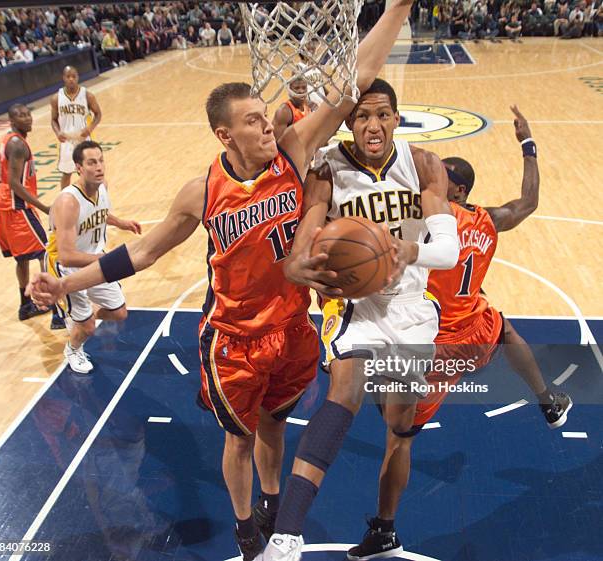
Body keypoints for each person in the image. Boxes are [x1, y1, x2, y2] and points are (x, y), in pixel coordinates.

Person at [28, 3, 415, 559]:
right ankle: (243, 526)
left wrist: (398, 7)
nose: (270, 124)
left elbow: (355, 80)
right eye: (255, 121)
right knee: (239, 437)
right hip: (233, 338)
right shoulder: (201, 191)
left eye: (266, 115)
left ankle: (273, 504)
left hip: (292, 326)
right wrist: (68, 285)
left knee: (274, 426)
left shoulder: (293, 154)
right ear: (224, 134)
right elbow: (141, 251)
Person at [346, 106, 573, 558]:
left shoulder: (429, 224)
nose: (431, 182)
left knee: (399, 436)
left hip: (435, 347)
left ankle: (385, 531)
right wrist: (528, 146)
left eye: (443, 181)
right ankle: (548, 400)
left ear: (460, 190)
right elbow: (527, 204)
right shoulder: (488, 220)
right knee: (503, 327)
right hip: (476, 330)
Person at [266, 76, 459, 561]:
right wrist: (296, 266)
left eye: (382, 115)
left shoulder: (423, 164)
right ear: (350, 122)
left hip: (411, 307)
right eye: (362, 117)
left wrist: (406, 250)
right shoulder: (328, 166)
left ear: (397, 117)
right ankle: (286, 536)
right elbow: (304, 240)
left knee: (400, 427)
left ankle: (386, 530)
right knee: (346, 388)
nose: (372, 125)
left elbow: (450, 250)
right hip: (353, 304)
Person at [46, 140, 141, 373]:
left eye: (101, 160)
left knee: (119, 313)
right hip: (66, 268)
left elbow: (101, 212)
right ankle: (73, 348)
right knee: (87, 328)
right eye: (91, 162)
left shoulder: (102, 186)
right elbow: (67, 256)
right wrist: (107, 259)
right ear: (78, 168)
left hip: (94, 260)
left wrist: (122, 223)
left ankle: (79, 319)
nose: (99, 167)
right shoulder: (68, 202)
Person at [0, 104, 58, 324]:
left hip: (4, 207)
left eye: (28, 114)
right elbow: (13, 182)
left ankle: (25, 306)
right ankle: (52, 305)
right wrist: (43, 207)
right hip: (18, 208)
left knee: (22, 259)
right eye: (21, 116)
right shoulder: (18, 145)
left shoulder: (8, 140)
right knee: (47, 251)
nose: (28, 118)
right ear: (11, 120)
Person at [51, 66, 102, 190]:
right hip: (67, 139)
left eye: (74, 76)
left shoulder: (87, 95)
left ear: (78, 77)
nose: (71, 79)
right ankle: (63, 198)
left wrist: (90, 128)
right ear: (63, 78)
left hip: (83, 139)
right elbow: (53, 120)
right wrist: (58, 133)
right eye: (68, 76)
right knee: (66, 173)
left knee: (90, 171)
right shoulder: (56, 98)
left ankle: (94, 197)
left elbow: (98, 114)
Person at [272, 76, 316, 140]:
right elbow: (277, 143)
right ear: (290, 90)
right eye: (297, 88)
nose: (301, 91)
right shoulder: (284, 111)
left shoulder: (311, 105)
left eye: (304, 88)